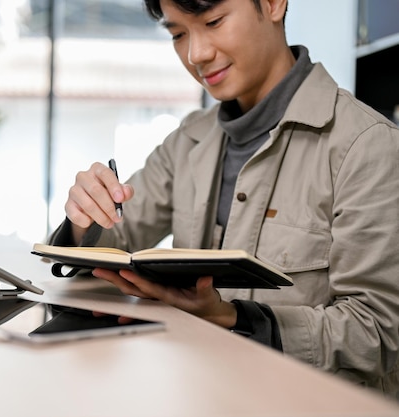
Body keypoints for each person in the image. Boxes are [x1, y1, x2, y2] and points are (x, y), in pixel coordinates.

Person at [48, 0, 399, 398]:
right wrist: (84, 221)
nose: (196, 54)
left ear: (272, 5)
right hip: (199, 393)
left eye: (213, 21)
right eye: (178, 34)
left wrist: (233, 318)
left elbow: (378, 332)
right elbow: (119, 238)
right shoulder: (187, 141)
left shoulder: (367, 145)